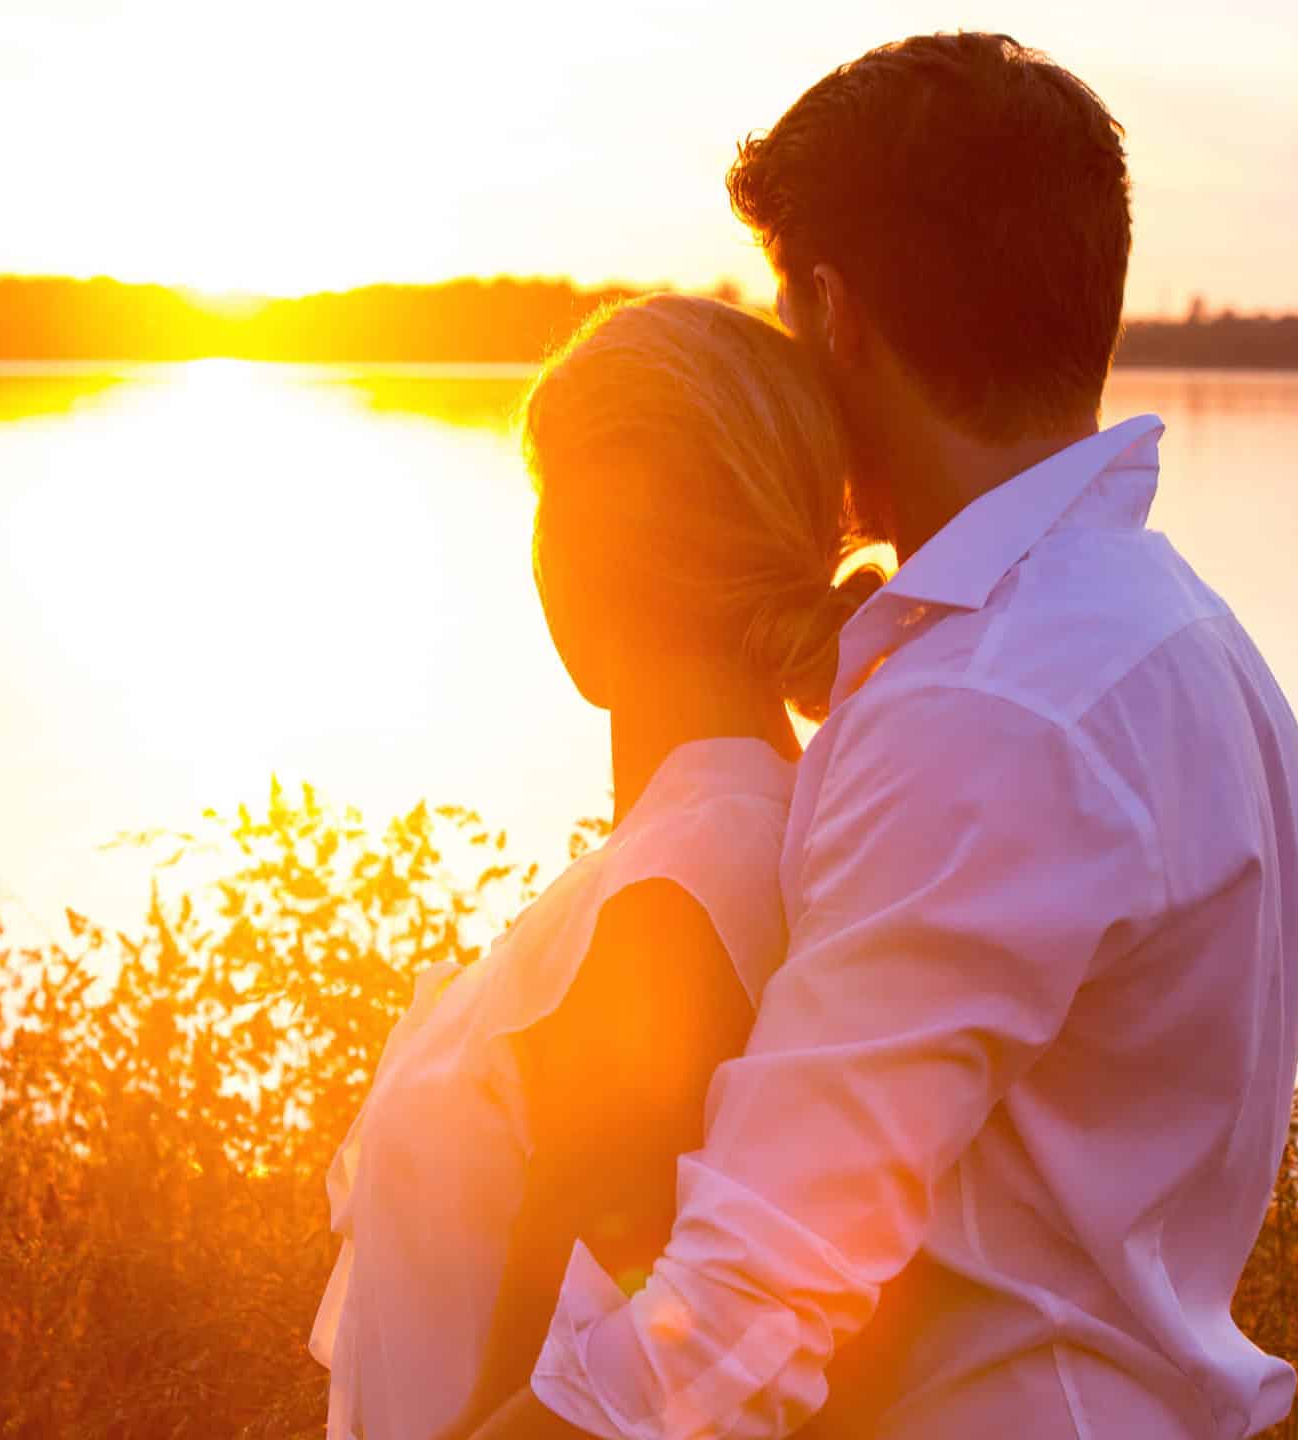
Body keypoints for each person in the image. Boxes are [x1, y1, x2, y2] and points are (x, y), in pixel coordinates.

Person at [462, 32, 1298, 1440]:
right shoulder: (1190, 645)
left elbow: (753, 1296)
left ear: (837, 313)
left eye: (791, 318)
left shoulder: (988, 711)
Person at [310, 292, 884, 1440]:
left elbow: (571, 1379)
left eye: (545, 504)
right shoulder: (740, 837)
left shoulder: (669, 901)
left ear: (575, 553)